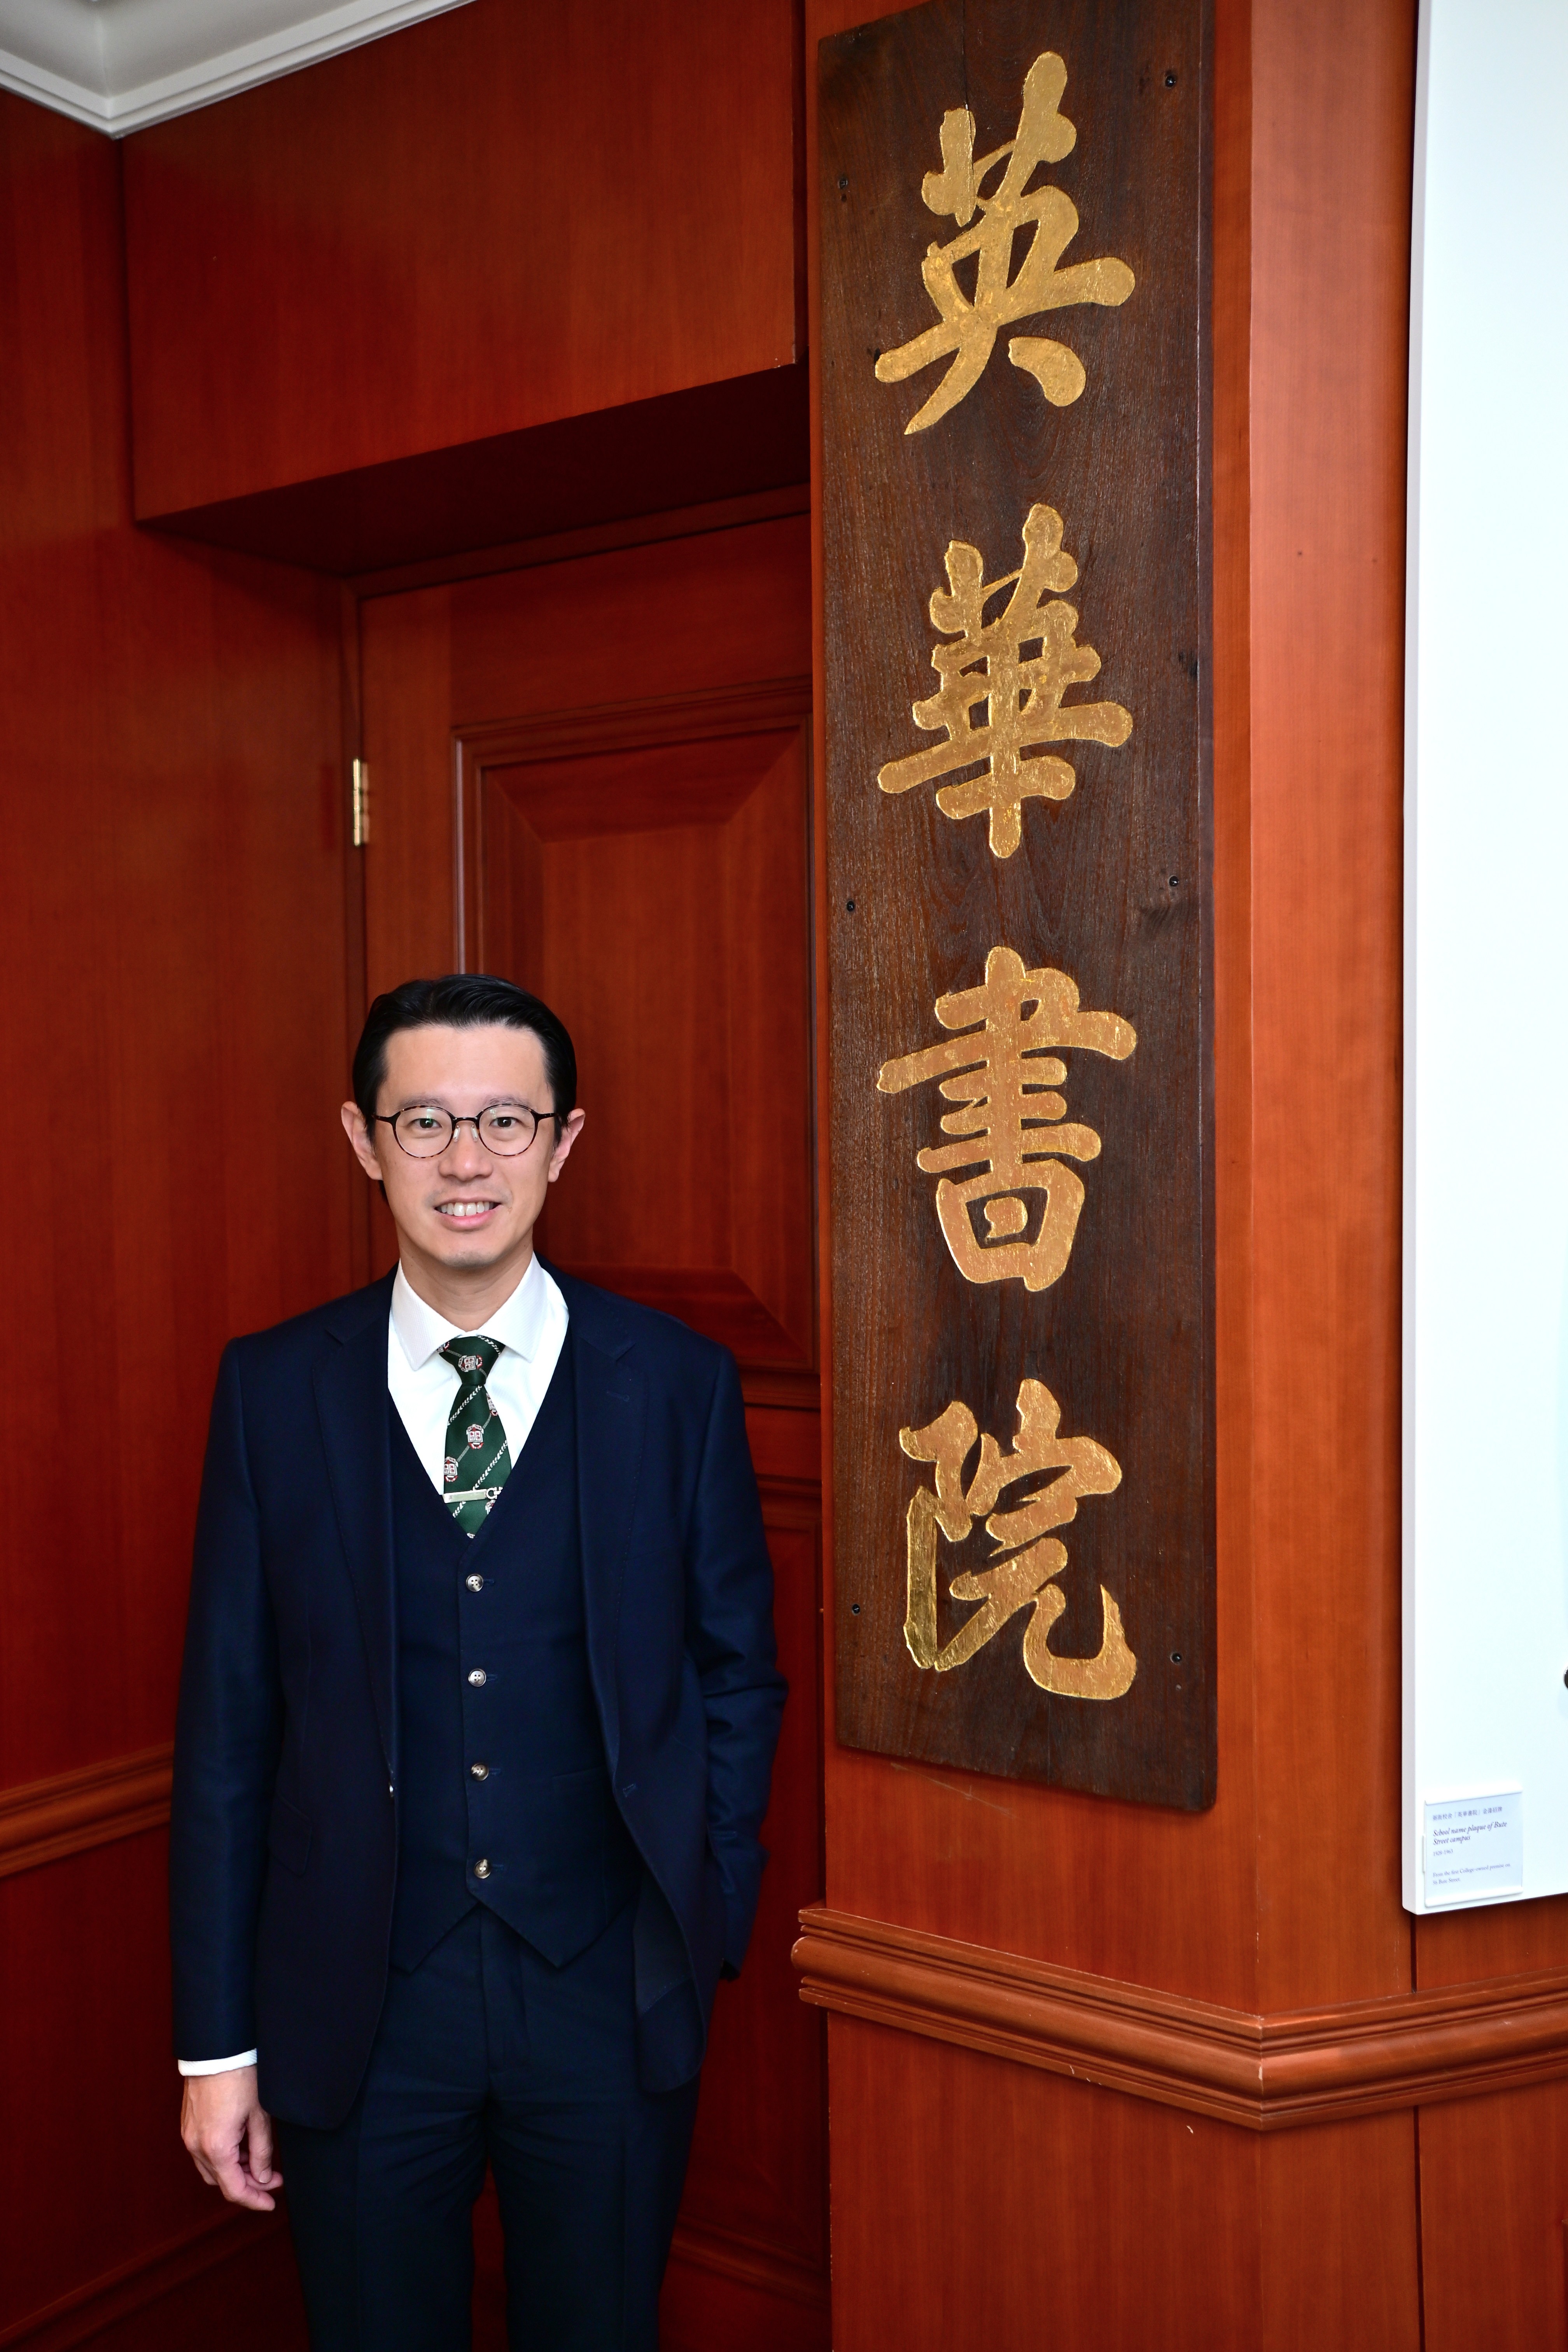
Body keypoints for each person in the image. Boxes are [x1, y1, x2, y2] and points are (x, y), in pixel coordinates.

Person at [170, 972, 785, 2350]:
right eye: (426, 1122)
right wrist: (217, 2048)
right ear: (363, 1138)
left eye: (507, 1122)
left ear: (563, 1143)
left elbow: (738, 1672)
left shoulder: (673, 1382)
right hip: (360, 2000)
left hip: (607, 1988)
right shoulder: (272, 1390)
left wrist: (706, 1905)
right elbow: (227, 1735)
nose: (466, 1162)